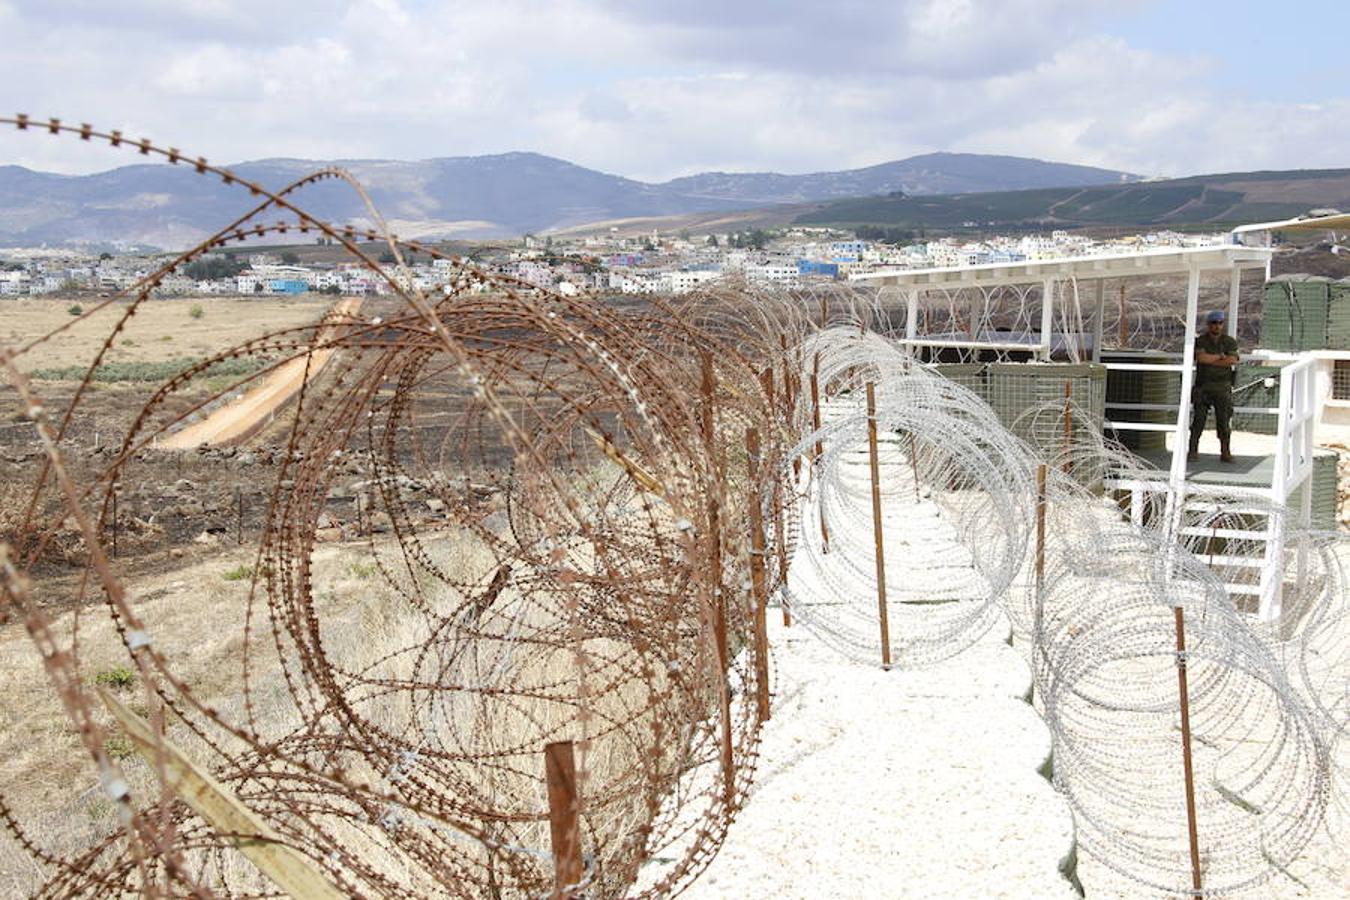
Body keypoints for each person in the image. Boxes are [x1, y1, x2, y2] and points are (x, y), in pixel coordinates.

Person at [1188, 309, 1239, 463]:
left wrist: (1214, 360)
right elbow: (1201, 358)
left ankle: (1225, 451)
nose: (1217, 326)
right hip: (1203, 386)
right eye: (1213, 323)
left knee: (1223, 422)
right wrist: (1219, 357)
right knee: (1198, 421)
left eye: (1220, 323)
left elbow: (1232, 360)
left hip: (1222, 386)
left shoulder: (1228, 341)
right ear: (1208, 325)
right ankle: (1192, 450)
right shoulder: (1201, 341)